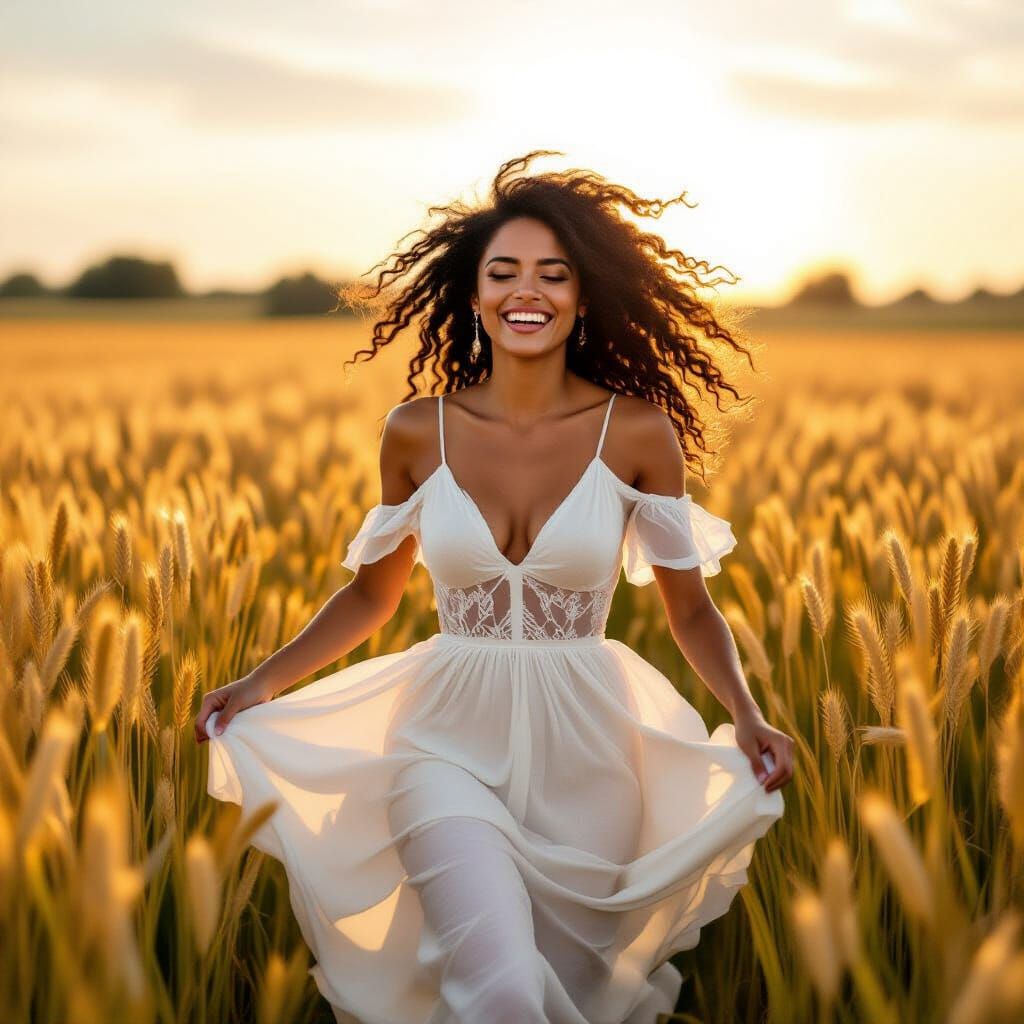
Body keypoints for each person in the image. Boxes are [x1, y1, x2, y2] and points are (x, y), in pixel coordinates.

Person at [195, 150, 794, 1024]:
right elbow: (372, 594)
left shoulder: (635, 434)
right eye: (504, 272)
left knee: (563, 1000)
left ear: (584, 297)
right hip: (442, 746)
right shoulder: (415, 431)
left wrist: (744, 713)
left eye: (554, 274)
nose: (529, 291)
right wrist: (262, 682)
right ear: (473, 294)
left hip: (590, 762)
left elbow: (691, 606)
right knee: (504, 992)